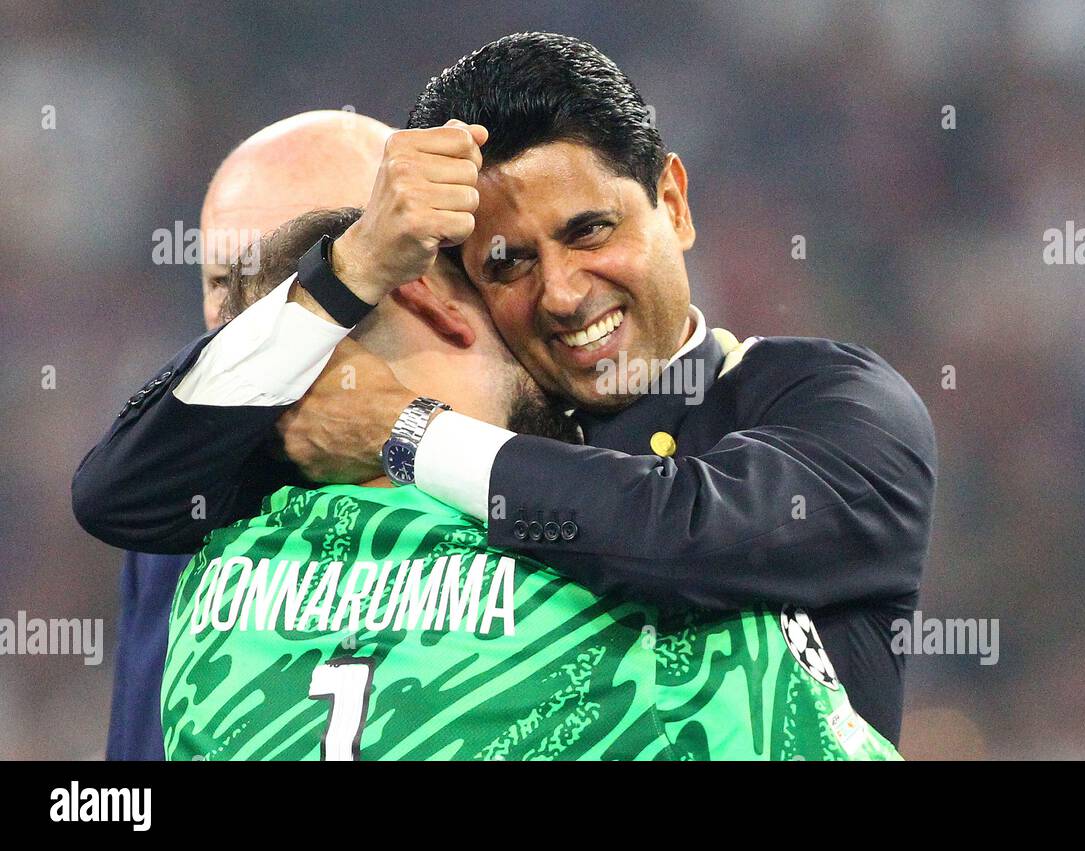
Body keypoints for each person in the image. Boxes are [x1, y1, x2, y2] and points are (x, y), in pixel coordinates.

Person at [74, 33, 936, 747]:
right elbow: (124, 493)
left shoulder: (829, 403)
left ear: (671, 201)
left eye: (589, 230)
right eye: (507, 263)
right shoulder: (414, 443)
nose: (561, 293)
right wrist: (352, 268)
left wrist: (406, 430)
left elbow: (680, 535)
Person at [164, 207, 899, 760]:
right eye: (497, 282)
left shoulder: (206, 598)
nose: (548, 313)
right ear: (433, 302)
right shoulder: (654, 634)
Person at [99, 110, 392, 759]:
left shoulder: (505, 485)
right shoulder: (176, 503)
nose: (247, 320)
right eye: (220, 283)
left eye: (292, 279)